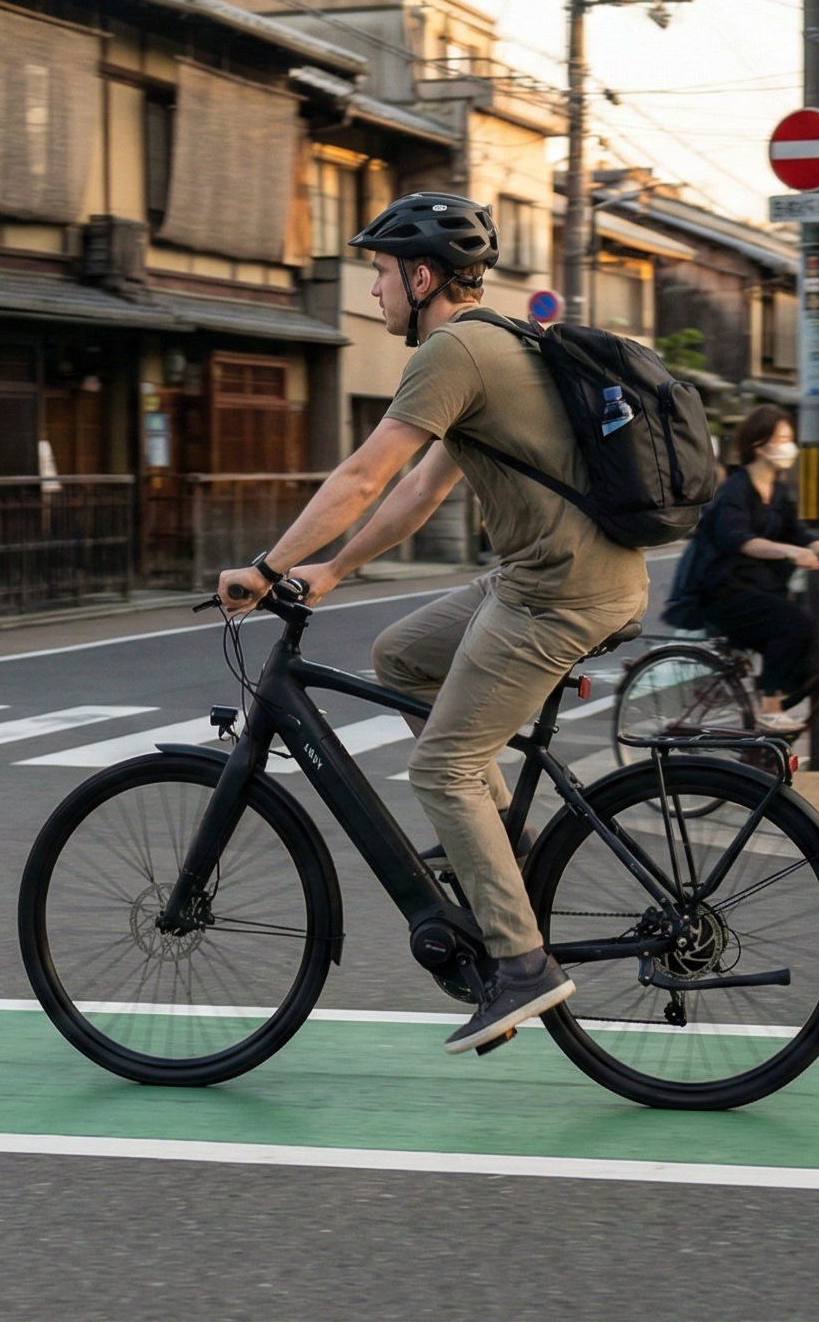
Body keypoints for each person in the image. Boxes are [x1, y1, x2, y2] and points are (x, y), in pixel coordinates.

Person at [214, 191, 646, 1057]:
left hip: (560, 591)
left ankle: (523, 965)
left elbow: (367, 473)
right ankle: (509, 852)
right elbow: (417, 492)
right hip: (547, 575)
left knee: (442, 767)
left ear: (422, 276)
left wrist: (265, 569)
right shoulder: (501, 343)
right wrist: (330, 570)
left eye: (379, 272)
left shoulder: (453, 349)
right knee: (401, 655)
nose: (373, 290)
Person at [673, 406, 819, 732]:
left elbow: (800, 535)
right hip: (722, 589)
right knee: (792, 624)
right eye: (783, 439)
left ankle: (770, 718)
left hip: (755, 587)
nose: (790, 446)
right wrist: (789, 552)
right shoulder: (737, 488)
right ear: (761, 446)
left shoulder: (777, 490)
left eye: (790, 439)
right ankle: (769, 708)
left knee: (811, 637)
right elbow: (739, 539)